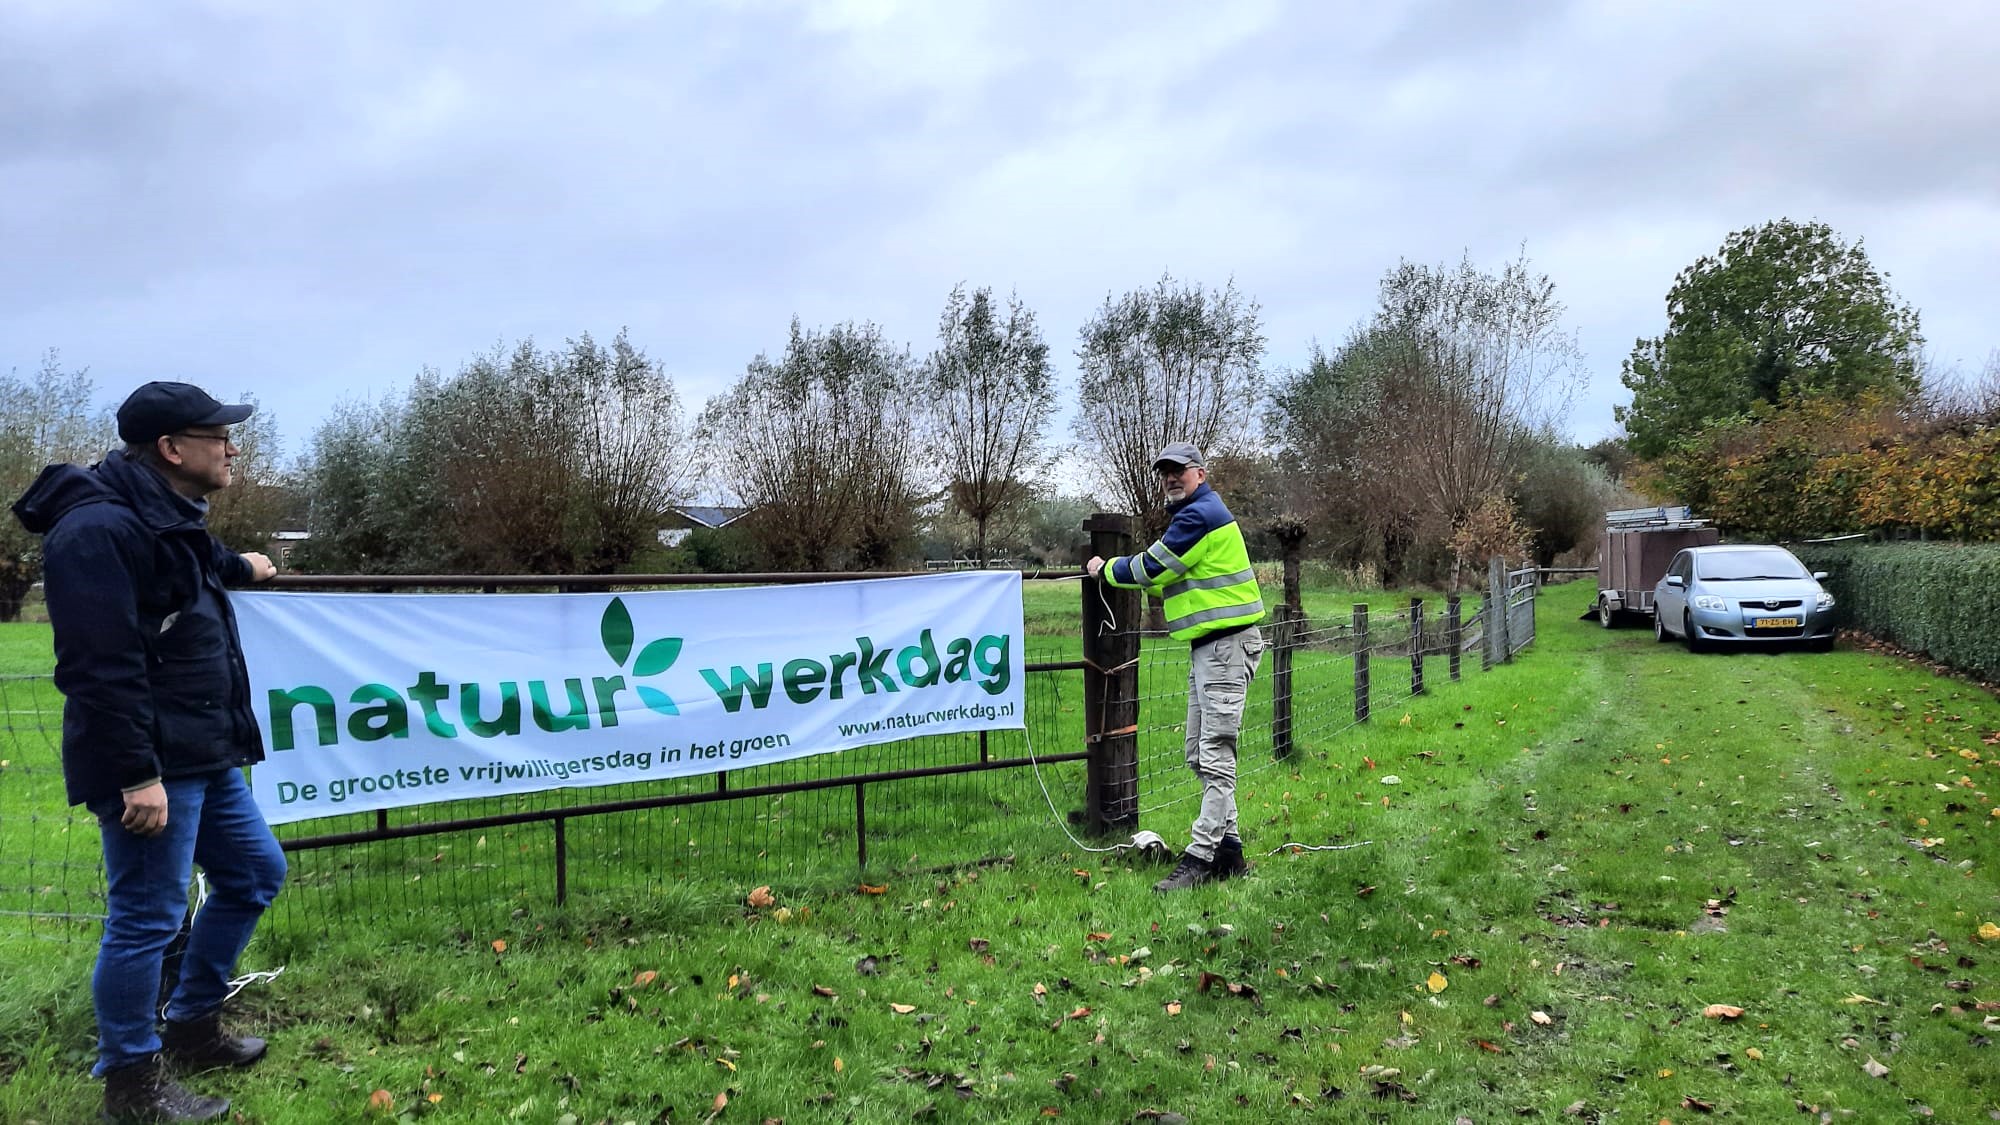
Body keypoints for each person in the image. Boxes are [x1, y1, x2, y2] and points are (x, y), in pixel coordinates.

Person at [12, 381, 286, 1123]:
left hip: (202, 747)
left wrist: (243, 567)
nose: (232, 447)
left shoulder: (161, 514)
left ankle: (193, 1024)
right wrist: (137, 774)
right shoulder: (95, 531)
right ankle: (131, 1084)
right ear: (171, 448)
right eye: (217, 435)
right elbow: (97, 667)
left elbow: (187, 567)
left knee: (257, 872)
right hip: (152, 762)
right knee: (146, 917)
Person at [1086, 442, 1266, 892]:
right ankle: (1229, 852)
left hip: (1225, 648)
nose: (1170, 478)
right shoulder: (1197, 513)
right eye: (1164, 471)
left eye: (1179, 471)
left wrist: (1103, 570)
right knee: (1197, 753)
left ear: (1200, 474)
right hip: (1211, 649)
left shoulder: (1198, 516)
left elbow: (1153, 567)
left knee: (1216, 755)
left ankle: (1201, 857)